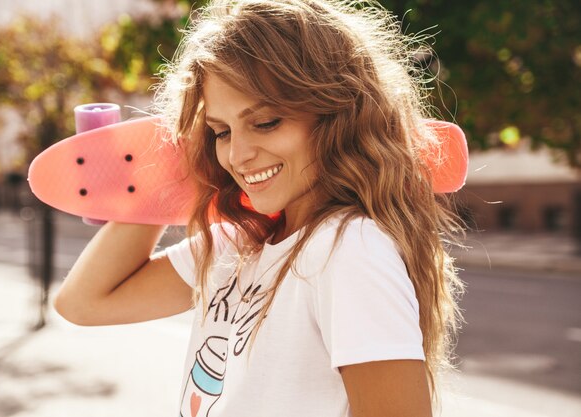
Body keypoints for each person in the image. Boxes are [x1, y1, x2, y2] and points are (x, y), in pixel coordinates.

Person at [54, 0, 465, 416]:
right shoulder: (240, 244)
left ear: (339, 116)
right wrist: (167, 181)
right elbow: (84, 302)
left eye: (266, 122)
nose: (239, 154)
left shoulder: (350, 249)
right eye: (220, 131)